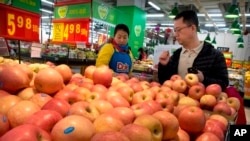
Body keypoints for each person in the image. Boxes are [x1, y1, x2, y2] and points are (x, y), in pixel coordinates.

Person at [157, 10, 229, 91]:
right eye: (175, 30)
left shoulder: (215, 55)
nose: (175, 34)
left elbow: (224, 84)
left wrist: (203, 79)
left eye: (178, 30)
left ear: (192, 28)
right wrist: (163, 66)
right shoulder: (175, 55)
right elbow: (164, 82)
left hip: (202, 102)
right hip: (177, 101)